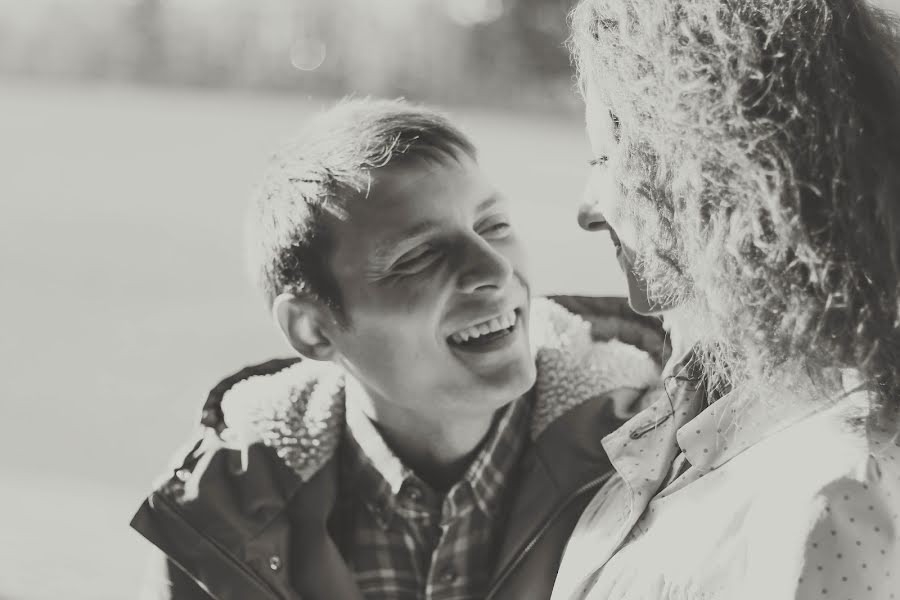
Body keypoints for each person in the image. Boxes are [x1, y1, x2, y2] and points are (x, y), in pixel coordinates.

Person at [130, 98, 664, 600]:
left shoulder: (649, 454)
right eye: (419, 256)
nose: (495, 270)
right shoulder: (224, 514)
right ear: (313, 328)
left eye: (493, 226)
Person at [551, 0, 900, 598]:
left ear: (702, 175)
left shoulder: (833, 493)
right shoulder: (690, 423)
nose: (587, 207)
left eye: (604, 158)